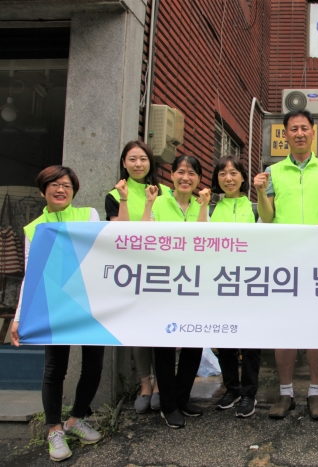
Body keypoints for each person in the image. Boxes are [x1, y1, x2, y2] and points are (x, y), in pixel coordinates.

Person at [11, 166, 103, 462]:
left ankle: (75, 420)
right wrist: (18, 316)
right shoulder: (34, 228)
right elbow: (30, 274)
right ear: (43, 191)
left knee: (93, 364)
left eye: (66, 185)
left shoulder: (88, 215)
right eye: (53, 185)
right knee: (55, 368)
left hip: (88, 303)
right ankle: (54, 429)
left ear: (74, 190)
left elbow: (99, 254)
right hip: (54, 305)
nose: (60, 189)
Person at [254, 110, 318, 420]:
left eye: (305, 128)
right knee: (285, 329)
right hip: (284, 262)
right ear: (285, 135)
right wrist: (261, 192)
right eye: (293, 129)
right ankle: (285, 393)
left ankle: (315, 394)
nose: (299, 133)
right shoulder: (273, 171)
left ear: (313, 133)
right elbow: (266, 216)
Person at [142, 155, 210, 428]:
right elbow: (145, 235)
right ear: (171, 174)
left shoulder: (200, 204)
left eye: (192, 173)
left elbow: (206, 240)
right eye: (181, 172)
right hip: (165, 283)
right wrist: (147, 203)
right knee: (165, 346)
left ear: (198, 179)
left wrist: (204, 206)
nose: (186, 177)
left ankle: (182, 398)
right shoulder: (159, 201)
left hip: (193, 283)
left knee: (194, 343)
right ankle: (167, 404)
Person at [106, 140, 169, 415]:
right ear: (123, 163)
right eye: (132, 159)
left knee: (163, 328)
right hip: (130, 271)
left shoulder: (165, 191)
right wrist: (124, 198)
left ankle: (160, 384)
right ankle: (145, 383)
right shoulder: (114, 194)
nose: (138, 164)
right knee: (138, 330)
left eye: (143, 159)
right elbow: (118, 232)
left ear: (151, 162)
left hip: (163, 269)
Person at [209, 155, 261, 418]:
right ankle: (232, 388)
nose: (228, 178)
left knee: (251, 339)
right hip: (219, 282)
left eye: (233, 173)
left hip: (249, 282)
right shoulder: (208, 209)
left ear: (243, 177)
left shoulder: (254, 209)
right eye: (222, 174)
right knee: (224, 337)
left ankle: (249, 393)